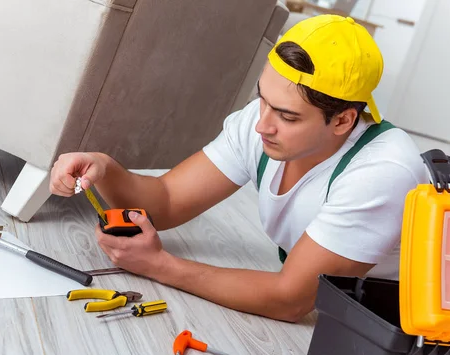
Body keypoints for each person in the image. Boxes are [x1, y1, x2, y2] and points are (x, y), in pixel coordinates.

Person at [49, 15, 427, 322]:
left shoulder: (382, 172)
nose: (262, 124)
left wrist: (160, 266)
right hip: (331, 303)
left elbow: (291, 300)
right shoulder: (261, 123)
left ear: (343, 120)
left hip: (397, 325)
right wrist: (105, 168)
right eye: (263, 100)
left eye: (287, 116)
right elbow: (165, 201)